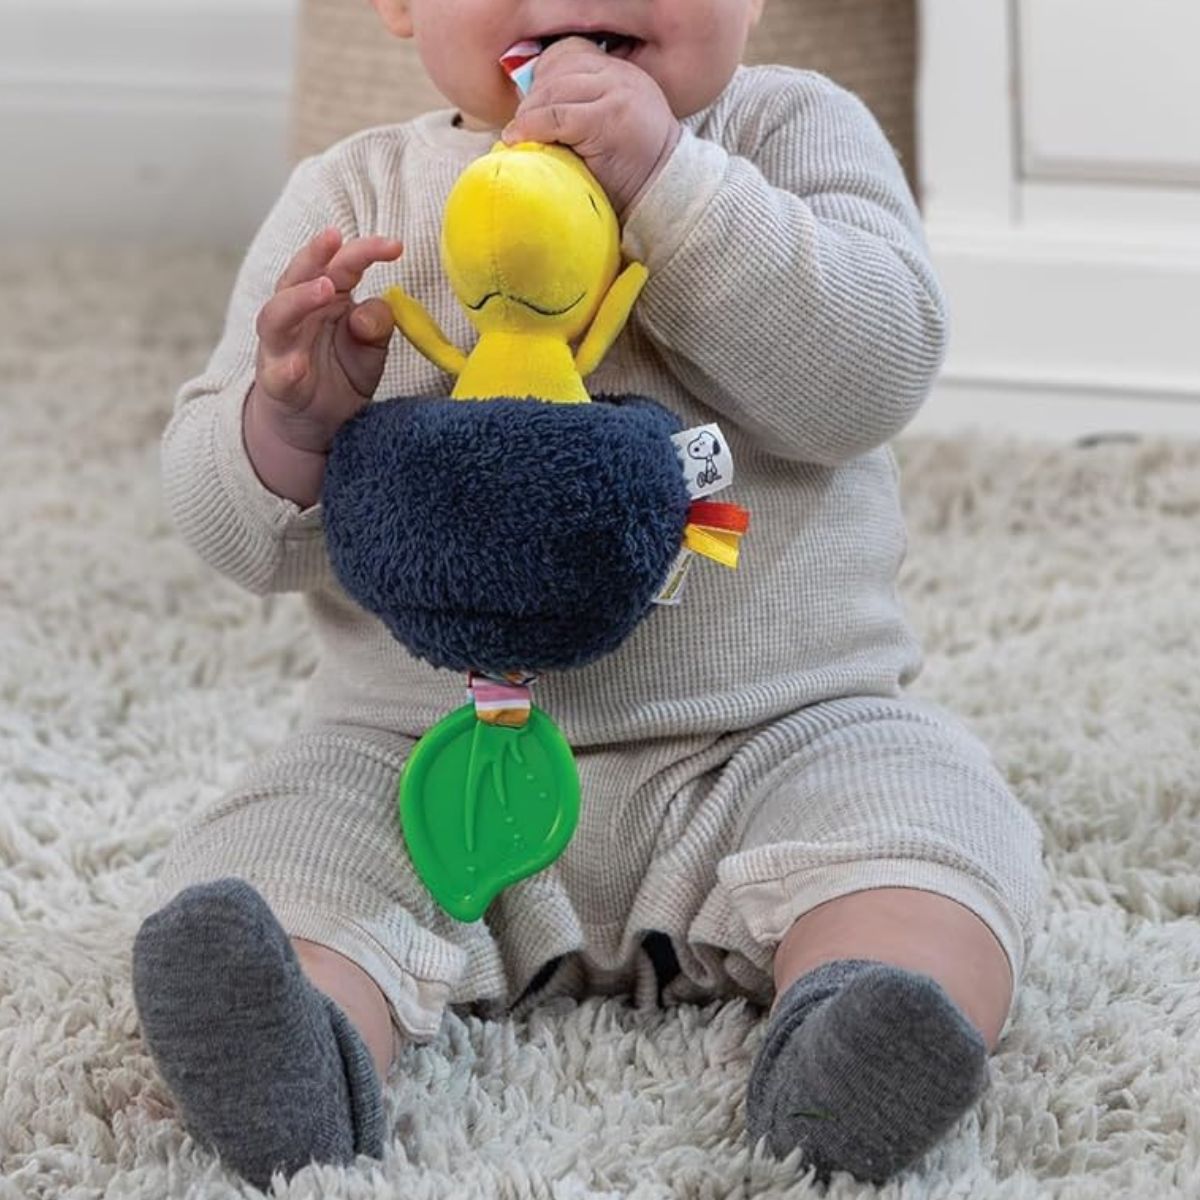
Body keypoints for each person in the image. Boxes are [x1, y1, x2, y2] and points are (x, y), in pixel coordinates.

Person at [132, 0, 1045, 1188]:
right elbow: (231, 536)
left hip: (773, 738)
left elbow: (869, 380)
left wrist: (672, 183)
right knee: (276, 851)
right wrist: (289, 425)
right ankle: (300, 1041)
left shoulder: (790, 134)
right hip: (424, 753)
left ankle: (865, 1022)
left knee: (932, 822)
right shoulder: (353, 196)